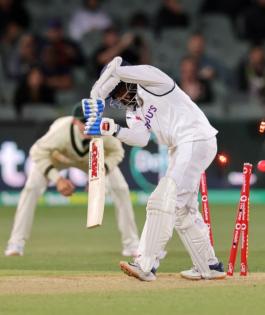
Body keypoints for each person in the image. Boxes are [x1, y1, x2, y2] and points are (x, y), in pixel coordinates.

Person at [83, 56, 226, 281]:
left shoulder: (153, 78)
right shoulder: (134, 110)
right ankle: (209, 266)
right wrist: (111, 129)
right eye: (114, 98)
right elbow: (140, 138)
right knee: (181, 210)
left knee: (162, 201)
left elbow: (117, 69)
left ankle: (146, 264)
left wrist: (97, 93)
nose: (119, 100)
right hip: (180, 148)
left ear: (124, 82)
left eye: (117, 93)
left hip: (195, 139)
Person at [4, 104, 140, 257]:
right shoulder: (61, 131)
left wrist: (98, 176)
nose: (88, 126)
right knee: (31, 187)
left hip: (93, 159)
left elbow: (117, 152)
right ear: (74, 122)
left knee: (120, 188)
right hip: (58, 157)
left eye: (92, 121)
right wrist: (57, 179)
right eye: (84, 122)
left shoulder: (103, 129)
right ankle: (16, 243)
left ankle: (131, 244)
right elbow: (36, 152)